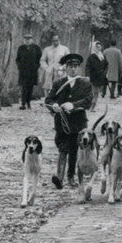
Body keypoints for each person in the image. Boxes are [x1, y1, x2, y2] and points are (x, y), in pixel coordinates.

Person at [44, 53, 92, 189]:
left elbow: (88, 100)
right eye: (70, 66)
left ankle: (71, 177)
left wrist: (74, 105)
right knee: (62, 147)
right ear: (66, 68)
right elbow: (48, 100)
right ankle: (59, 177)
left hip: (78, 122)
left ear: (79, 68)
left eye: (75, 66)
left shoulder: (85, 83)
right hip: (62, 122)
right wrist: (53, 106)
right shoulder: (58, 83)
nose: (73, 69)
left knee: (74, 149)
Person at [15, 34, 41, 110]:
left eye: (29, 39)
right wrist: (19, 66)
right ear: (24, 40)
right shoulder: (21, 48)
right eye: (26, 39)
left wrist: (36, 66)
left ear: (32, 40)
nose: (27, 40)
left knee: (30, 87)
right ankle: (23, 104)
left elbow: (40, 59)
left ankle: (28, 103)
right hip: (23, 71)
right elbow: (17, 59)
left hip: (33, 71)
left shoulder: (36, 48)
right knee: (24, 87)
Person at [86, 41, 108, 109]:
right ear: (94, 47)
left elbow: (106, 65)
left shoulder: (102, 56)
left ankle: (94, 105)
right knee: (92, 92)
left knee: (97, 92)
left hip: (100, 77)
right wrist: (87, 75)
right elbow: (87, 67)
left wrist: (105, 73)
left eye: (100, 47)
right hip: (93, 76)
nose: (99, 48)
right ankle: (90, 105)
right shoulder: (91, 56)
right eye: (97, 47)